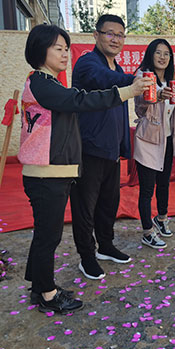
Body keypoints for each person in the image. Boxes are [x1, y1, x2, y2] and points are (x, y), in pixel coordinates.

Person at [19, 24, 150, 313]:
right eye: (58, 49)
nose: (65, 54)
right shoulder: (42, 83)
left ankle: (38, 286)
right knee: (49, 236)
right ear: (40, 50)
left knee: (45, 234)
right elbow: (81, 100)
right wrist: (129, 90)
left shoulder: (48, 83)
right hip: (46, 172)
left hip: (52, 171)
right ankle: (48, 294)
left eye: (66, 48)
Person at [70, 14, 136, 280]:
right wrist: (135, 79)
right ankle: (86, 256)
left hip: (111, 149)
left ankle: (105, 246)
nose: (115, 39)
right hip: (89, 148)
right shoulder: (88, 63)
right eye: (110, 33)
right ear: (96, 35)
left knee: (109, 203)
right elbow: (104, 79)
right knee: (85, 206)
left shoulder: (117, 68)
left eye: (120, 35)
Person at [133, 39, 175, 249]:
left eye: (166, 53)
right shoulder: (142, 76)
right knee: (147, 189)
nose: (162, 57)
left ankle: (161, 219)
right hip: (148, 140)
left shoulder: (171, 81)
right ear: (150, 55)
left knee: (164, 183)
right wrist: (158, 96)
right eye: (158, 52)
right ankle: (147, 232)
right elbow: (141, 103)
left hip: (167, 139)